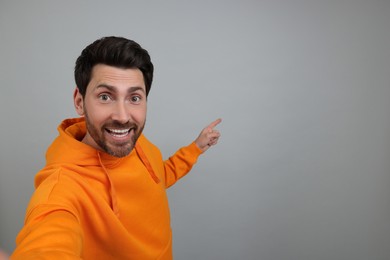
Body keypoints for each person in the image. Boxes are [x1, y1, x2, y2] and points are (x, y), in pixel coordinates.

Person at [11, 36, 221, 259]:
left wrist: (195, 148)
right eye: (105, 96)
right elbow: (48, 242)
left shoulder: (136, 142)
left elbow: (158, 178)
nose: (122, 117)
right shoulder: (61, 188)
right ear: (79, 102)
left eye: (134, 98)